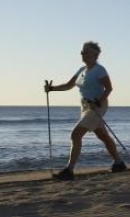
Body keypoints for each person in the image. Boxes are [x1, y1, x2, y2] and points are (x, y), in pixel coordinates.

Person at [44, 41, 125, 181]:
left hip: (97, 105)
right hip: (85, 107)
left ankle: (69, 171)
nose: (83, 54)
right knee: (103, 136)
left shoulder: (99, 70)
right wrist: (52, 89)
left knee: (75, 135)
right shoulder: (81, 70)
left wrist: (98, 102)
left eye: (86, 52)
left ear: (95, 54)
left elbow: (109, 88)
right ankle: (119, 163)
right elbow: (69, 85)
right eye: (82, 52)